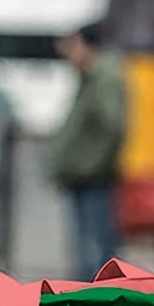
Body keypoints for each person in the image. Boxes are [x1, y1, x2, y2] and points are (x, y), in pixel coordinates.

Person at [49, 22, 127, 280]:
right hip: (82, 172)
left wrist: (92, 164)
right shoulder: (91, 75)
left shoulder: (104, 77)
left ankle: (94, 299)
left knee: (95, 245)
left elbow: (111, 127)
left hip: (93, 174)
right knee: (87, 242)